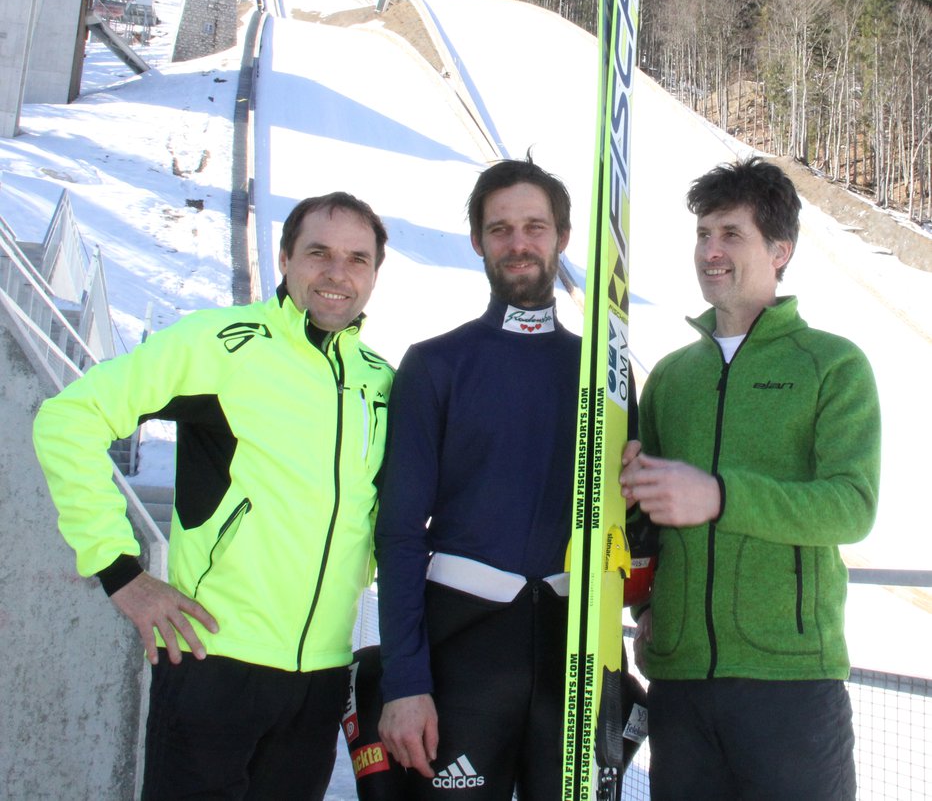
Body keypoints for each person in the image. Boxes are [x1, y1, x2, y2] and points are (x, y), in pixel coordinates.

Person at [33, 191, 394, 801]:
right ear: (285, 259)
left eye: (358, 259)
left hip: (322, 676)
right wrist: (122, 574)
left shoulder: (378, 379)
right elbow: (69, 420)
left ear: (375, 275)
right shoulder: (223, 345)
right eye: (319, 253)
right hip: (215, 660)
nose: (338, 273)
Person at [373, 157, 637, 800]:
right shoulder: (435, 365)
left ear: (562, 238)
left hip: (572, 657)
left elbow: (636, 519)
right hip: (462, 653)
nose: (518, 243)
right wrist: (405, 681)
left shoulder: (606, 372)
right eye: (500, 229)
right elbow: (401, 534)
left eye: (535, 227)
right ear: (477, 242)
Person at [620, 157, 881, 801]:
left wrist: (719, 495)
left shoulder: (832, 365)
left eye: (731, 234)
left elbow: (851, 506)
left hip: (789, 684)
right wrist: (649, 604)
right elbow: (646, 515)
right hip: (678, 683)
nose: (710, 251)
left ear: (781, 249)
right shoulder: (673, 377)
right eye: (704, 234)